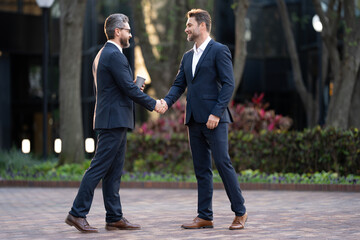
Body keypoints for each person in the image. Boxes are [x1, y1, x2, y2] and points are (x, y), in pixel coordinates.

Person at [65, 13, 165, 233]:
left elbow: (117, 88)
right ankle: (77, 213)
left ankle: (114, 217)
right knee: (98, 168)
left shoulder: (105, 54)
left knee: (113, 171)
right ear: (117, 31)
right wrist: (154, 104)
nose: (130, 34)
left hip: (114, 119)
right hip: (113, 121)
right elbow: (128, 89)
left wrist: (132, 88)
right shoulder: (113, 54)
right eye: (128, 30)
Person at [159, 9, 247, 230]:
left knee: (223, 163)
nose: (186, 29)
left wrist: (216, 113)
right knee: (201, 169)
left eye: (190, 25)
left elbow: (229, 84)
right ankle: (205, 216)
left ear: (202, 26)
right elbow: (180, 84)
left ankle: (241, 212)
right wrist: (165, 103)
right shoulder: (187, 56)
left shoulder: (219, 50)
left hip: (215, 119)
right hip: (194, 120)